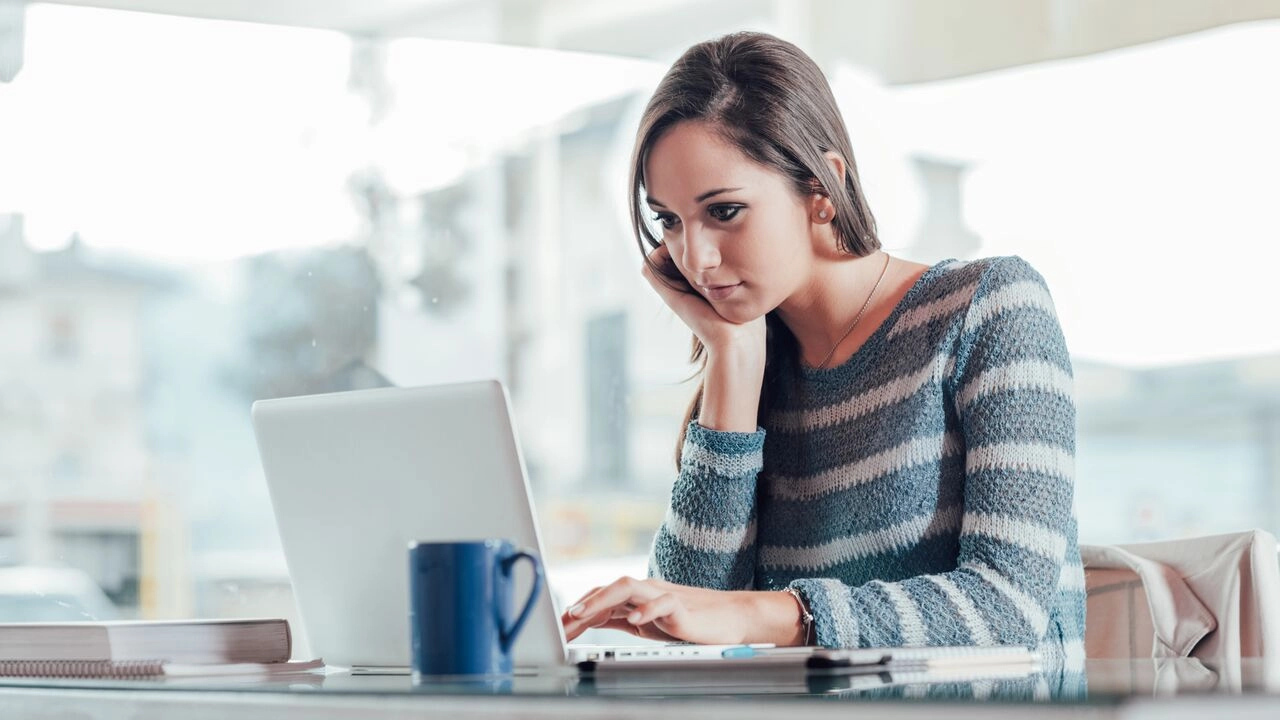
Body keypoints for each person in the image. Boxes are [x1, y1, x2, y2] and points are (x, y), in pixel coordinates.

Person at [560, 31, 1085, 666]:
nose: (694, 258)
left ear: (822, 189)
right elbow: (688, 618)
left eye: (723, 212)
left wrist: (775, 612)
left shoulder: (990, 308)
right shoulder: (757, 369)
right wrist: (732, 364)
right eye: (669, 220)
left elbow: (1006, 607)